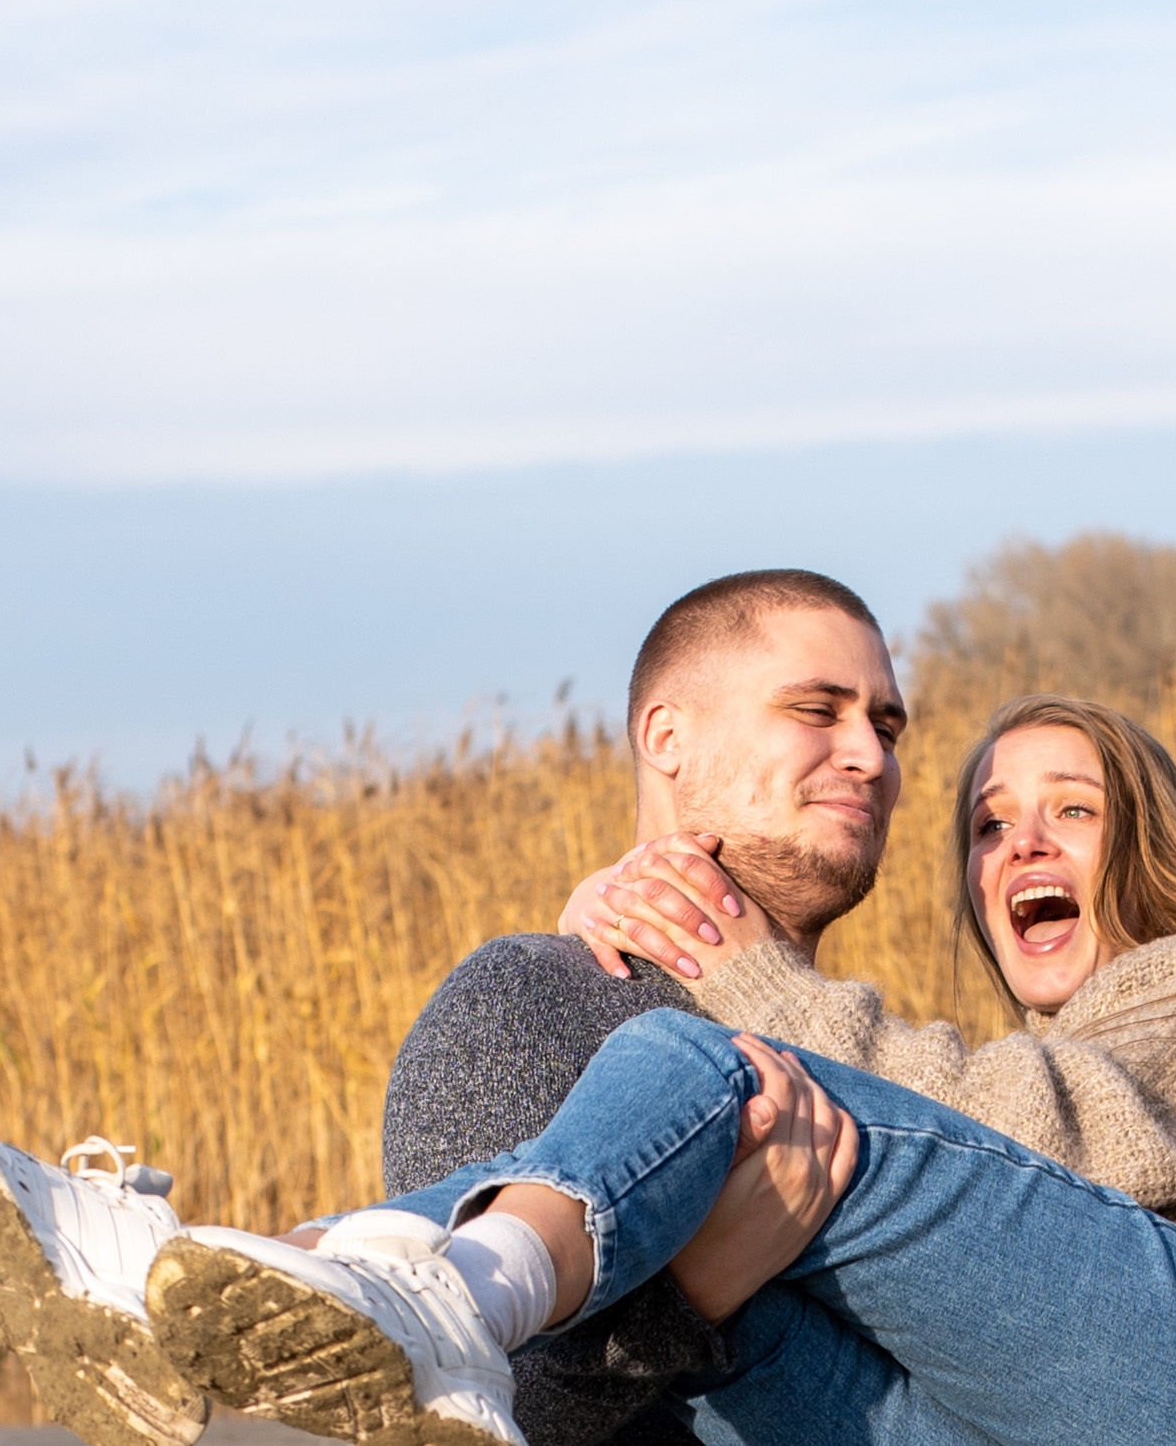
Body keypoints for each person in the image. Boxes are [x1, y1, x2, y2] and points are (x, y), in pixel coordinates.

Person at [0, 692, 1176, 1445]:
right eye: (989, 823)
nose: (1018, 843)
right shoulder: (1001, 1052)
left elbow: (1066, 1134)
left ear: (1148, 839)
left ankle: (432, 1287)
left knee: (708, 1070)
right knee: (702, 1284)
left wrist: (736, 979)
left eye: (1071, 807)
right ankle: (181, 1284)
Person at [378, 569, 907, 1446]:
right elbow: (467, 1401)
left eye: (885, 728)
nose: (870, 756)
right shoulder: (539, 1000)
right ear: (666, 736)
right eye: (817, 710)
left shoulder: (874, 1049)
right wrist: (691, 1294)